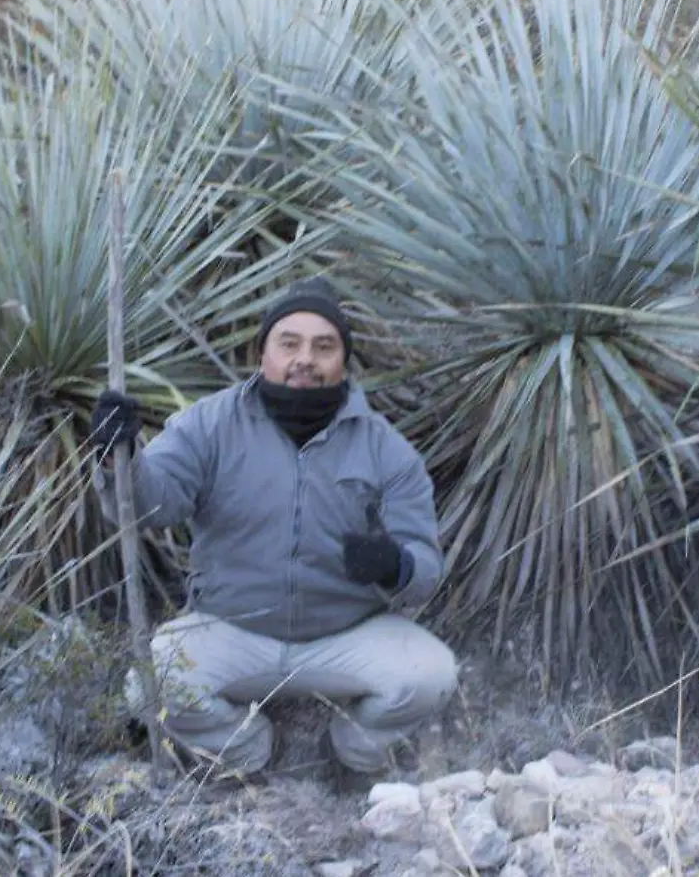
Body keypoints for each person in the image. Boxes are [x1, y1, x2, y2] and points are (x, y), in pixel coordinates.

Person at [87, 277, 456, 791]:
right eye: (290, 343)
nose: (305, 358)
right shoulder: (208, 425)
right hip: (232, 627)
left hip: (344, 635)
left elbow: (426, 568)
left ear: (342, 362)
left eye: (324, 346)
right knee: (150, 687)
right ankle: (253, 752)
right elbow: (154, 502)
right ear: (262, 353)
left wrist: (396, 565)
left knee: (430, 676)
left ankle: (350, 753)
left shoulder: (385, 449)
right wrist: (117, 456)